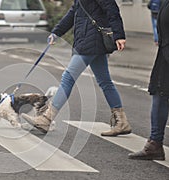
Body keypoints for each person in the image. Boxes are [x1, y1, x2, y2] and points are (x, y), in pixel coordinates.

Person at [21, 0, 132, 135]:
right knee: (105, 82)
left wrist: (119, 35)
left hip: (89, 42)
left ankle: (46, 118)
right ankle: (122, 122)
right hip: (88, 40)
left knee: (68, 78)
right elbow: (73, 13)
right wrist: (57, 32)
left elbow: (112, 9)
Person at [129, 0, 169, 161]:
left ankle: (155, 143)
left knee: (160, 94)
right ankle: (154, 144)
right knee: (159, 93)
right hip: (165, 53)